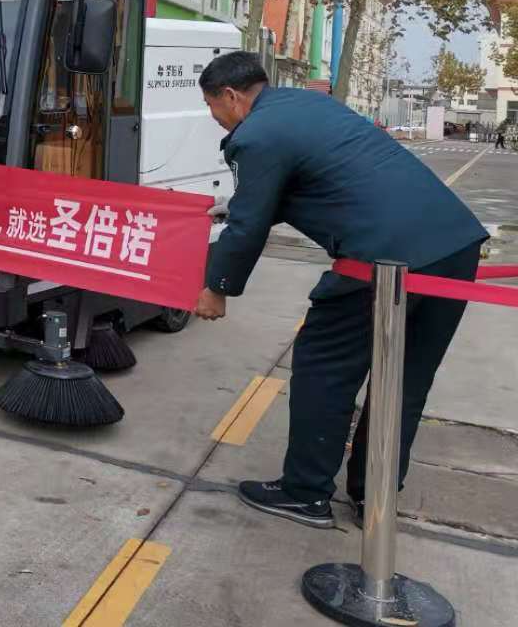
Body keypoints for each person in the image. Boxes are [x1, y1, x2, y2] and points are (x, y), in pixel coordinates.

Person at [195, 52, 487, 529]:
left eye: (211, 106)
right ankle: (373, 496)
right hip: (454, 247)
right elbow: (326, 177)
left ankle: (305, 493)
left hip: (381, 259)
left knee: (323, 369)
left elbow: (249, 228)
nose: (214, 118)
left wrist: (217, 288)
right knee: (406, 379)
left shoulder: (257, 134)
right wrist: (237, 205)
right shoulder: (312, 107)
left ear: (231, 96)